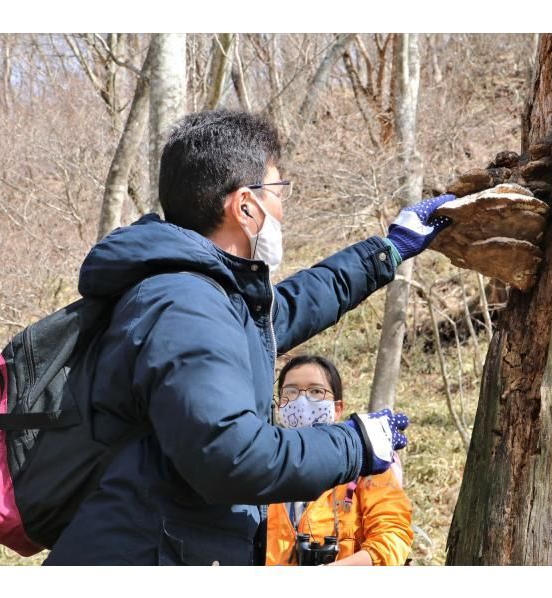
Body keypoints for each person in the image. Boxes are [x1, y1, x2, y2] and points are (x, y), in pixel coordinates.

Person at [44, 109, 449, 565]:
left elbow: (288, 309)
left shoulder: (200, 294)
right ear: (244, 206)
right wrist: (355, 442)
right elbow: (230, 456)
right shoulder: (185, 305)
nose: (282, 208)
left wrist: (388, 250)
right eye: (277, 192)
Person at [267, 355, 413, 566]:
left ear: (337, 408)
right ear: (280, 404)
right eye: (291, 391)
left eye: (316, 391)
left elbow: (393, 537)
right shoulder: (264, 464)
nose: (302, 401)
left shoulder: (368, 462)